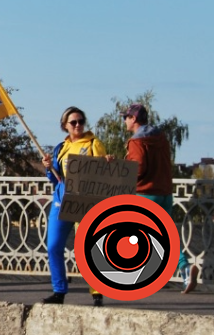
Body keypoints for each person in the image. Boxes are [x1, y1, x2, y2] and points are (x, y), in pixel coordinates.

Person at [122, 103, 196, 293]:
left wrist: (123, 167)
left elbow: (137, 168)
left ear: (134, 119)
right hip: (165, 192)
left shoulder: (136, 142)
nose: (125, 121)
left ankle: (181, 269)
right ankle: (178, 271)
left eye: (127, 117)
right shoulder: (161, 137)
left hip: (146, 193)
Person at [40, 106, 106, 306]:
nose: (78, 125)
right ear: (65, 126)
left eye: (81, 121)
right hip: (61, 203)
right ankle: (59, 291)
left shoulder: (94, 143)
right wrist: (48, 168)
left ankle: (96, 293)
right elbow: (56, 179)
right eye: (73, 122)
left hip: (84, 203)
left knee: (86, 248)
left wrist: (108, 162)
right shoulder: (61, 148)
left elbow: (105, 171)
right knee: (53, 247)